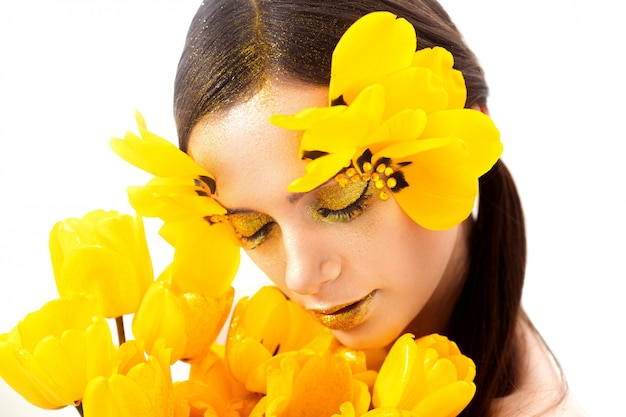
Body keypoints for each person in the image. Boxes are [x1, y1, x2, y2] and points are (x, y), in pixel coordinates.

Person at [166, 0, 590, 416]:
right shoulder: (217, 375)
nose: (301, 276)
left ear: (466, 137)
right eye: (254, 229)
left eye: (343, 201)